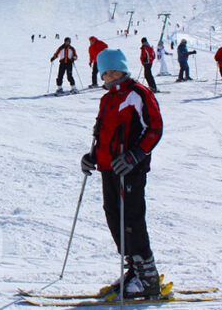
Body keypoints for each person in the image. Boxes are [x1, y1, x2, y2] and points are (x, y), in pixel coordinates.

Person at [79, 49, 163, 299]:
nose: (109, 76)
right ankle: (134, 270)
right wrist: (92, 157)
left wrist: (136, 155)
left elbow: (155, 128)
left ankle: (148, 278)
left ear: (123, 69)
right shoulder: (106, 99)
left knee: (132, 220)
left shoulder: (138, 93)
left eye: (113, 70)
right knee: (114, 217)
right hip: (109, 169)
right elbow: (102, 134)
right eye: (104, 72)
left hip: (130, 170)